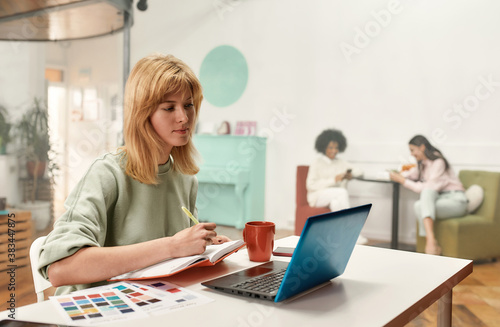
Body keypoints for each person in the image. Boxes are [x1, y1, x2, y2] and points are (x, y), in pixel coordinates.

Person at [38, 54, 230, 295]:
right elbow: (61, 269)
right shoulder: (107, 173)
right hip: (99, 310)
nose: (184, 117)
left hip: (154, 302)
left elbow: (171, 260)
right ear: (143, 114)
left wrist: (204, 246)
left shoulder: (185, 179)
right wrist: (172, 246)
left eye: (188, 105)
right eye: (169, 107)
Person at [389, 135, 467, 255]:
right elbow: (413, 174)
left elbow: (427, 188)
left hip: (456, 201)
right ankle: (432, 243)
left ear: (422, 147)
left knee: (426, 193)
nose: (411, 154)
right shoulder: (424, 164)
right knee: (418, 206)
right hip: (441, 199)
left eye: (412, 150)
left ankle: (430, 242)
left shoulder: (438, 162)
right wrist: (400, 175)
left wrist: (402, 181)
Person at [306, 128, 367, 244]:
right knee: (341, 192)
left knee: (336, 203)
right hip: (317, 197)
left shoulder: (341, 163)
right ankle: (353, 233)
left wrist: (350, 175)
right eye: (331, 147)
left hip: (334, 197)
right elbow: (311, 185)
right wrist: (334, 180)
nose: (334, 151)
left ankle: (340, 237)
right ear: (324, 147)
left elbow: (360, 171)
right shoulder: (317, 163)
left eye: (336, 148)